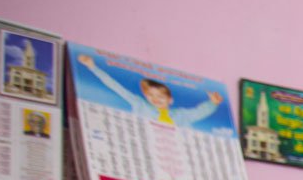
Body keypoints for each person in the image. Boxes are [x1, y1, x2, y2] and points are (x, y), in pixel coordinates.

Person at [76, 53, 223, 128]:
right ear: (146, 97)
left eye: (160, 96)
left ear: (170, 100)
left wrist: (213, 103)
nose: (156, 98)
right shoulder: (140, 105)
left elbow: (199, 112)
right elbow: (116, 87)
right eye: (151, 95)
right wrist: (92, 67)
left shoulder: (181, 115)